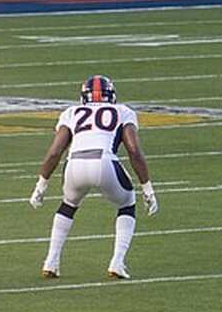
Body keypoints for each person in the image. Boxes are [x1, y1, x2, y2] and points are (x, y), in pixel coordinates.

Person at [28, 75, 158, 280]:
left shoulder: (71, 113)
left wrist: (41, 184)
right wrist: (147, 187)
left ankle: (51, 261)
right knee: (127, 203)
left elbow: (55, 152)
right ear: (111, 96)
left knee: (68, 205)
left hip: (74, 165)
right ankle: (117, 262)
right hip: (104, 162)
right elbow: (134, 151)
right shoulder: (123, 112)